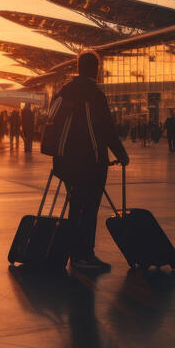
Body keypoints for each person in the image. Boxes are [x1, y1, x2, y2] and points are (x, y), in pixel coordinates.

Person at [48, 51, 129, 271]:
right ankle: (85, 255)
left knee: (75, 206)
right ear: (96, 69)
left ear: (78, 67)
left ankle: (74, 255)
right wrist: (120, 153)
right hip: (90, 161)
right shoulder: (94, 95)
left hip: (65, 161)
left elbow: (51, 119)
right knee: (90, 208)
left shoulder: (65, 91)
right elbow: (107, 129)